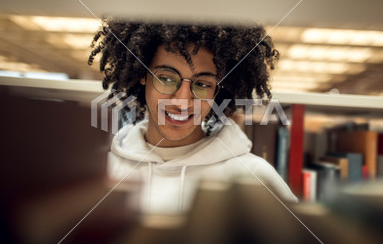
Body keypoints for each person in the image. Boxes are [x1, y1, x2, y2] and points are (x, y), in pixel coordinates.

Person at [88, 19, 297, 215]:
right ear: (142, 74)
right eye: (167, 79)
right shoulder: (102, 173)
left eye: (202, 84)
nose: (183, 101)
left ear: (218, 91)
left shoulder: (254, 177)